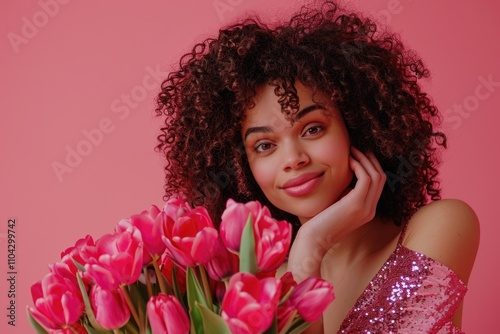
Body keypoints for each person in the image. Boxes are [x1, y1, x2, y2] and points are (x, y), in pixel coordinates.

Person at [154, 1, 480, 332]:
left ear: (356, 126)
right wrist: (310, 248)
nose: (294, 158)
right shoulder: (262, 288)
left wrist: (311, 244)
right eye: (265, 146)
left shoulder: (440, 226)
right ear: (241, 167)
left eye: (312, 129)